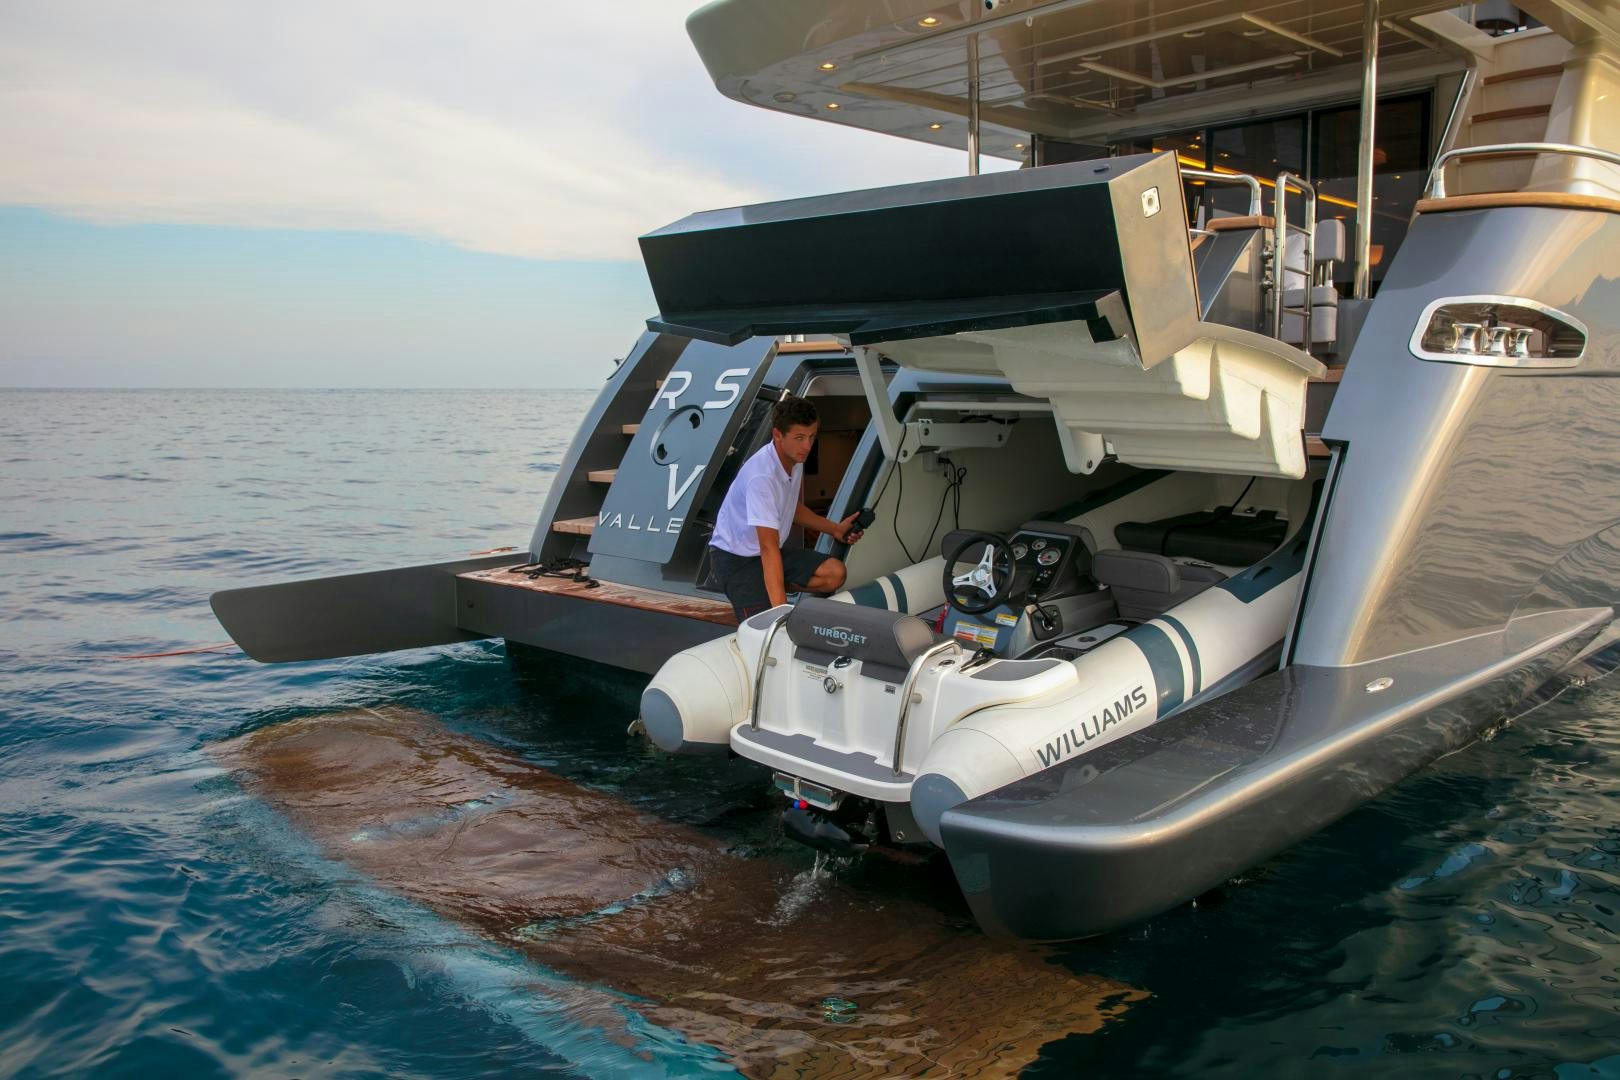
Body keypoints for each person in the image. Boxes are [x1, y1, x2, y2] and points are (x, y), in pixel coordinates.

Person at [707, 394, 864, 620]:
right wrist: (780, 612)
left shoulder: (794, 459)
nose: (807, 446)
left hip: (765, 554)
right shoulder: (762, 477)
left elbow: (792, 508)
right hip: (736, 562)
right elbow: (768, 548)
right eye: (799, 437)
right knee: (767, 632)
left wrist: (835, 529)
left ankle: (771, 585)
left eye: (811, 436)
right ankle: (764, 592)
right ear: (778, 435)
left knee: (834, 573)